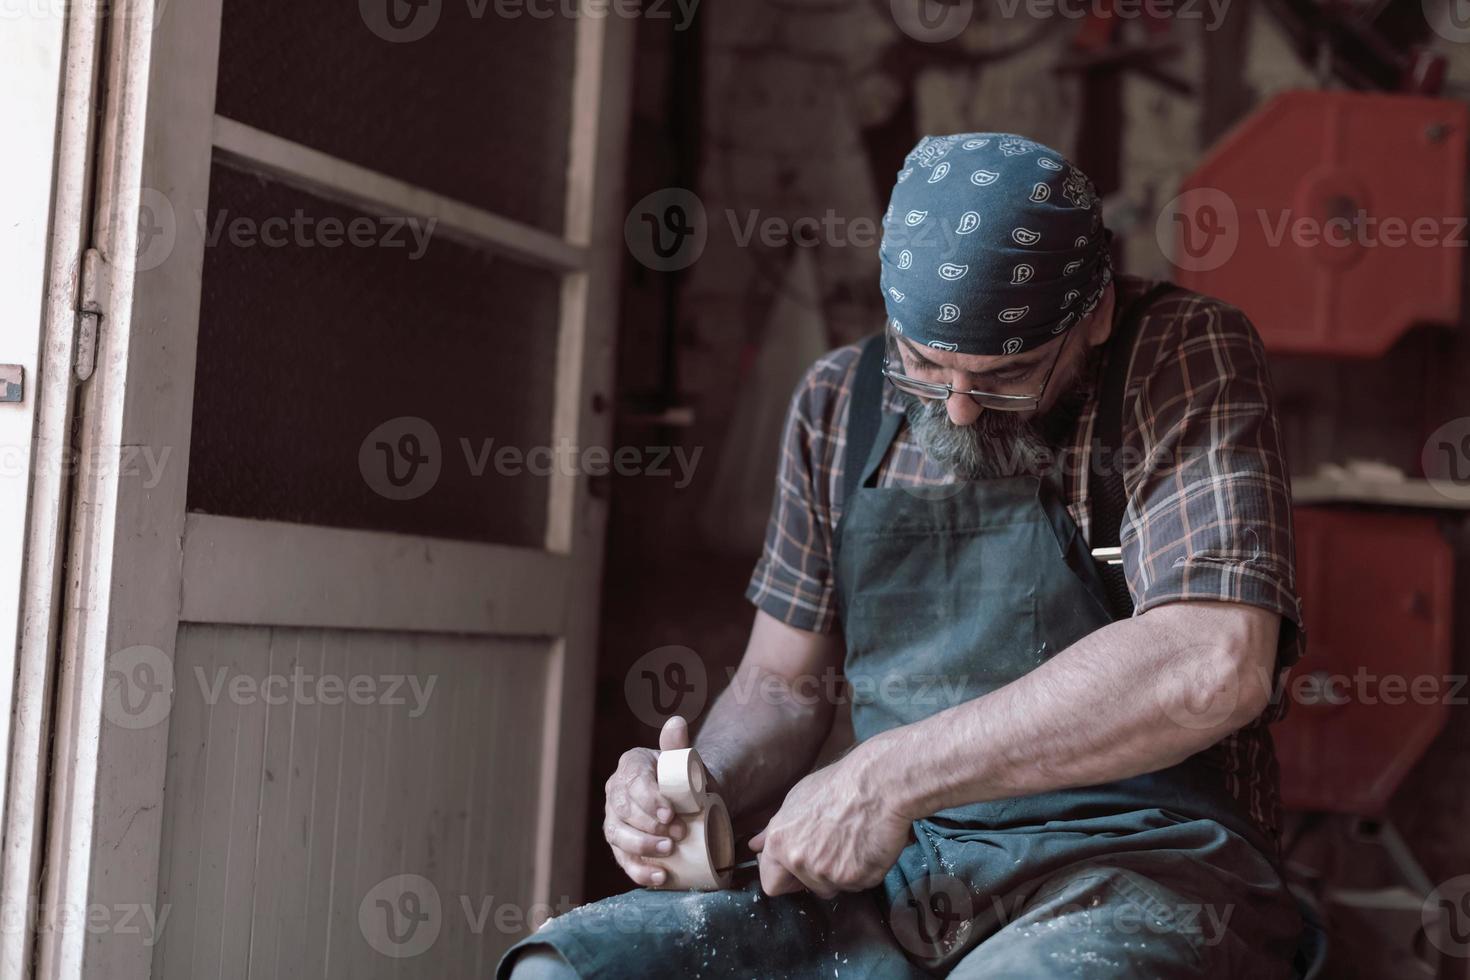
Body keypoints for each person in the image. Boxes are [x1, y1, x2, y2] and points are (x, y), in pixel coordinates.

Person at [499, 132, 1306, 978]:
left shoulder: (1179, 357)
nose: (958, 411)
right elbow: (780, 683)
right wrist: (695, 789)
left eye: (1009, 375)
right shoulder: (838, 401)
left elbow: (1214, 659)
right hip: (901, 869)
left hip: (1141, 861)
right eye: (924, 365)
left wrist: (889, 776)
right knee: (564, 971)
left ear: (1096, 312)